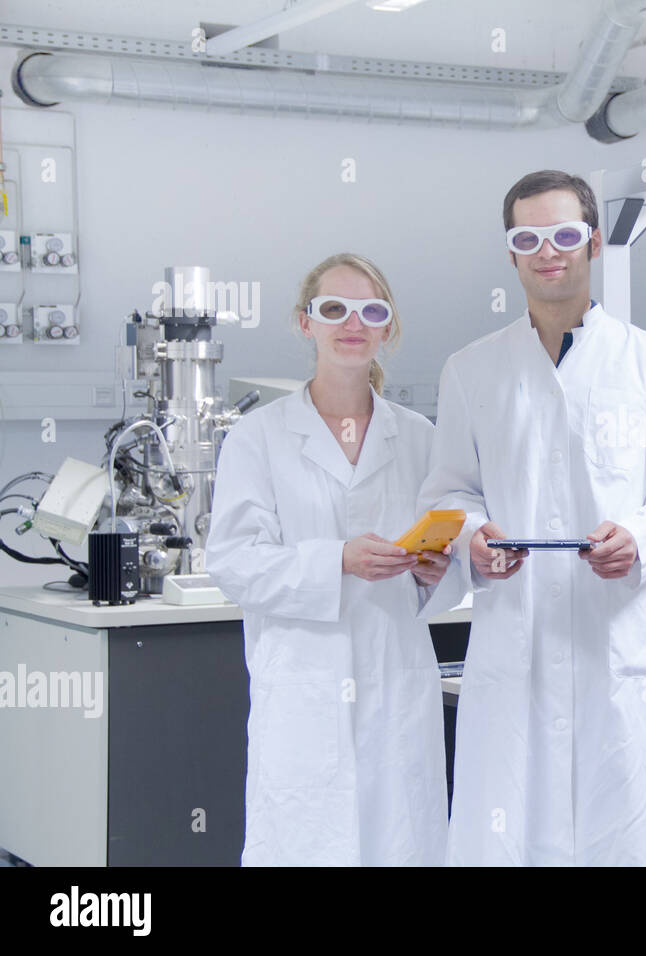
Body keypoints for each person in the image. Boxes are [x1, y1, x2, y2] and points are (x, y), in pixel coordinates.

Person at [419, 170, 646, 865]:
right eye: (528, 238)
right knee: (511, 832)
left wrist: (637, 538)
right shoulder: (471, 370)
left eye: (564, 235)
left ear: (593, 245)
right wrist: (472, 537)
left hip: (612, 641)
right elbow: (448, 493)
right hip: (514, 641)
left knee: (626, 830)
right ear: (512, 253)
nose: (547, 251)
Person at [206, 253, 457, 866]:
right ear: (304, 323)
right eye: (334, 309)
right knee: (305, 840)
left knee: (400, 838)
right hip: (303, 686)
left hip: (395, 677)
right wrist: (335, 561)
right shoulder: (256, 438)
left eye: (372, 311)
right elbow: (235, 562)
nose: (353, 323)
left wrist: (436, 572)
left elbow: (446, 573)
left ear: (388, 327)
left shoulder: (421, 437)